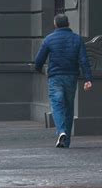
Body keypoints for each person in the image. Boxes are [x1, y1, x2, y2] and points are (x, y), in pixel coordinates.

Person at [35, 14, 93, 148]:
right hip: (71, 77)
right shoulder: (77, 39)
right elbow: (84, 60)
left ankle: (61, 131)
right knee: (69, 107)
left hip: (55, 77)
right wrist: (88, 78)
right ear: (68, 24)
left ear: (55, 24)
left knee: (57, 105)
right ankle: (66, 141)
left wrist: (38, 69)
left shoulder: (49, 39)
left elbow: (39, 59)